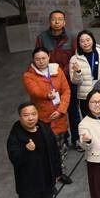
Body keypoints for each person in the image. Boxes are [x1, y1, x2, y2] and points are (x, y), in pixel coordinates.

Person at [22, 48, 73, 177]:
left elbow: (66, 91)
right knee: (47, 148)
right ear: (33, 60)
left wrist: (61, 109)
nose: (41, 61)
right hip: (43, 119)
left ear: (49, 57)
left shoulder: (57, 70)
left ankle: (60, 172)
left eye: (43, 58)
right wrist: (46, 95)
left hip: (59, 116)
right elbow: (34, 91)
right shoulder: (29, 76)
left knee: (61, 145)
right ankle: (50, 173)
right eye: (37, 59)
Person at [68, 30, 100, 133]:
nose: (86, 43)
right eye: (82, 41)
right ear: (78, 43)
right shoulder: (74, 59)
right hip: (85, 96)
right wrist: (78, 72)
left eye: (88, 40)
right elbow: (75, 81)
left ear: (93, 40)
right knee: (91, 123)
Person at [35, 10, 75, 82]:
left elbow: (76, 57)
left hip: (69, 75)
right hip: (50, 76)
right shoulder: (41, 38)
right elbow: (38, 58)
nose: (57, 22)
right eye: (53, 19)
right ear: (49, 22)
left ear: (64, 22)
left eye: (60, 19)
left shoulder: (72, 37)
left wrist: (64, 72)